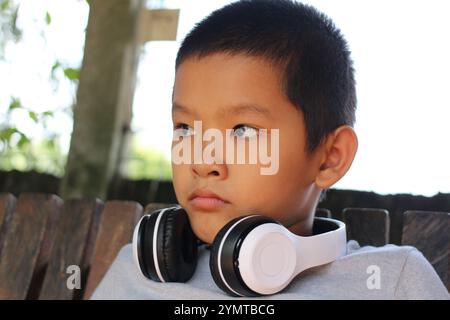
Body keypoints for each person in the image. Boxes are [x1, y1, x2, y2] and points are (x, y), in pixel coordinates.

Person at [91, 0, 449, 299]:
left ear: (330, 157)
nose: (202, 161)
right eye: (185, 127)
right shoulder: (136, 274)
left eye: (243, 130)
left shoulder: (392, 282)